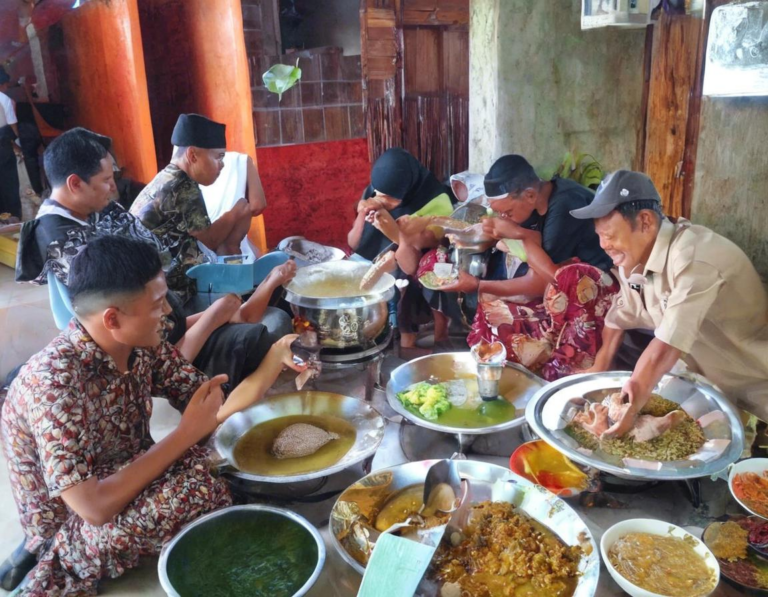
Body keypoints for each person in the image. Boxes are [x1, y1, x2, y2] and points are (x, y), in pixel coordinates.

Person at [0, 235, 304, 595]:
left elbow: (212, 406)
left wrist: (274, 359)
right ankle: (53, 558)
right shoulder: (54, 384)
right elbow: (93, 509)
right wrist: (183, 435)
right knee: (199, 490)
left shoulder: (141, 346)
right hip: (74, 517)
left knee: (225, 465)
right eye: (158, 305)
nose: (169, 317)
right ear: (112, 317)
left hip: (127, 471)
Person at [15, 127, 290, 386]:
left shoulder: (94, 208)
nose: (114, 187)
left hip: (168, 310)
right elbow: (134, 326)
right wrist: (210, 317)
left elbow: (152, 258)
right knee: (260, 334)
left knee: (269, 310)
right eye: (106, 180)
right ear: (75, 183)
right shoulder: (64, 240)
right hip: (153, 335)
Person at [571, 170, 768, 435]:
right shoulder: (637, 261)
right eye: (599, 235)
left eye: (609, 234)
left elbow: (665, 346)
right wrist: (597, 369)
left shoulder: (696, 259)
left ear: (645, 222)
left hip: (755, 382)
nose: (603, 245)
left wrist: (631, 403)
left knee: (743, 463)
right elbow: (619, 317)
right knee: (664, 435)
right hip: (705, 378)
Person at [441, 154, 617, 380]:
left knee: (507, 322)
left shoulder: (565, 206)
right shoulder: (536, 202)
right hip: (558, 282)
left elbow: (549, 279)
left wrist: (479, 283)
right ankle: (498, 375)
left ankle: (550, 378)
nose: (506, 218)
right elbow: (534, 253)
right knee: (490, 308)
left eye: (508, 212)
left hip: (592, 290)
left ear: (530, 195)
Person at [130, 114, 260, 301]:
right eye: (218, 157)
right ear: (192, 155)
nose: (222, 165)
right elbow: (210, 240)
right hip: (168, 291)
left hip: (150, 282)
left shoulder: (167, 178)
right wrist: (236, 211)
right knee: (247, 297)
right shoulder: (182, 186)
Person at [347, 148, 456, 348]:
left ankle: (409, 339)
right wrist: (362, 213)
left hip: (416, 266)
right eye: (378, 194)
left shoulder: (436, 201)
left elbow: (414, 263)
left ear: (406, 189)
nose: (382, 200)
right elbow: (354, 243)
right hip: (382, 260)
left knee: (402, 285)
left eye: (389, 197)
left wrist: (394, 232)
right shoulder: (378, 190)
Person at [0, 66, 23, 219]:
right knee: (9, 184)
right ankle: (12, 218)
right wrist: (19, 147)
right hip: (2, 145)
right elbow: (13, 129)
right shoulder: (4, 99)